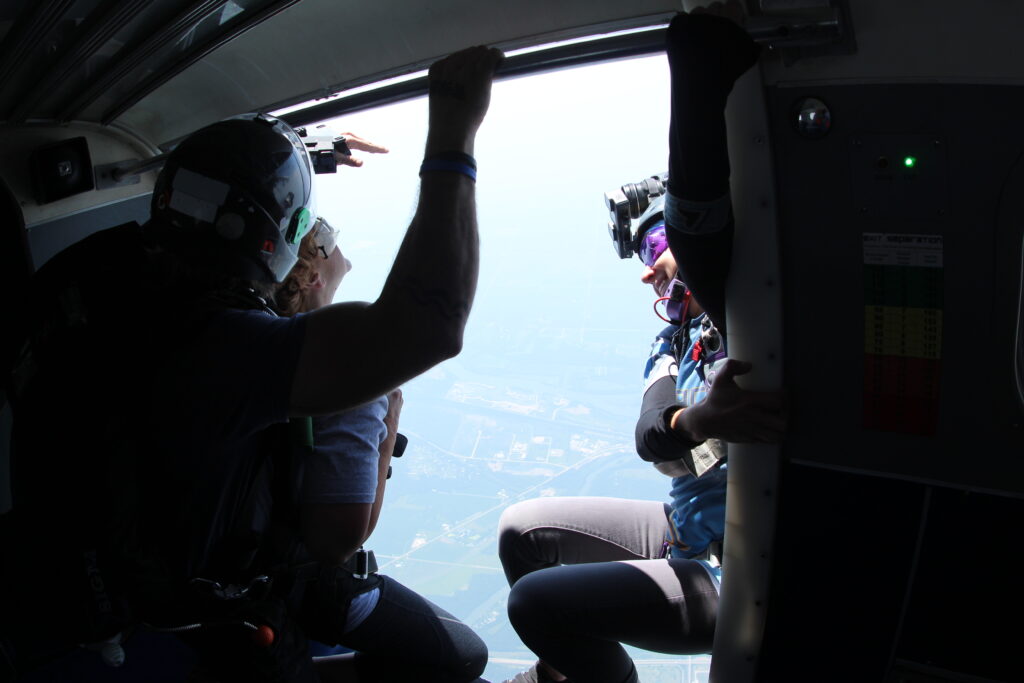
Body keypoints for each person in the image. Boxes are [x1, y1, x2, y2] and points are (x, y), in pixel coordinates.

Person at [1, 44, 503, 683]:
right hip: (183, 613)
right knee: (454, 657)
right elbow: (428, 322)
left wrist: (296, 161)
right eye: (298, 232)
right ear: (273, 245)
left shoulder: (87, 277)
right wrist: (454, 132)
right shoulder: (223, 350)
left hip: (58, 569)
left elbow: (216, 204)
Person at [498, 208, 783, 683]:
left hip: (733, 566)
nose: (648, 272)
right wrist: (700, 419)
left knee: (536, 603)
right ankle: (561, 675)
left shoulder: (756, 313)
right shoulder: (672, 341)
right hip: (685, 532)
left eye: (654, 248)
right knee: (521, 532)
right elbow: (651, 434)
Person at [266, 217, 488, 682]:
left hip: (214, 566)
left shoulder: (247, 340)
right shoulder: (350, 364)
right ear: (311, 275)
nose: (338, 240)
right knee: (464, 656)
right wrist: (387, 431)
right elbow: (339, 540)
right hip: (290, 585)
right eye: (324, 235)